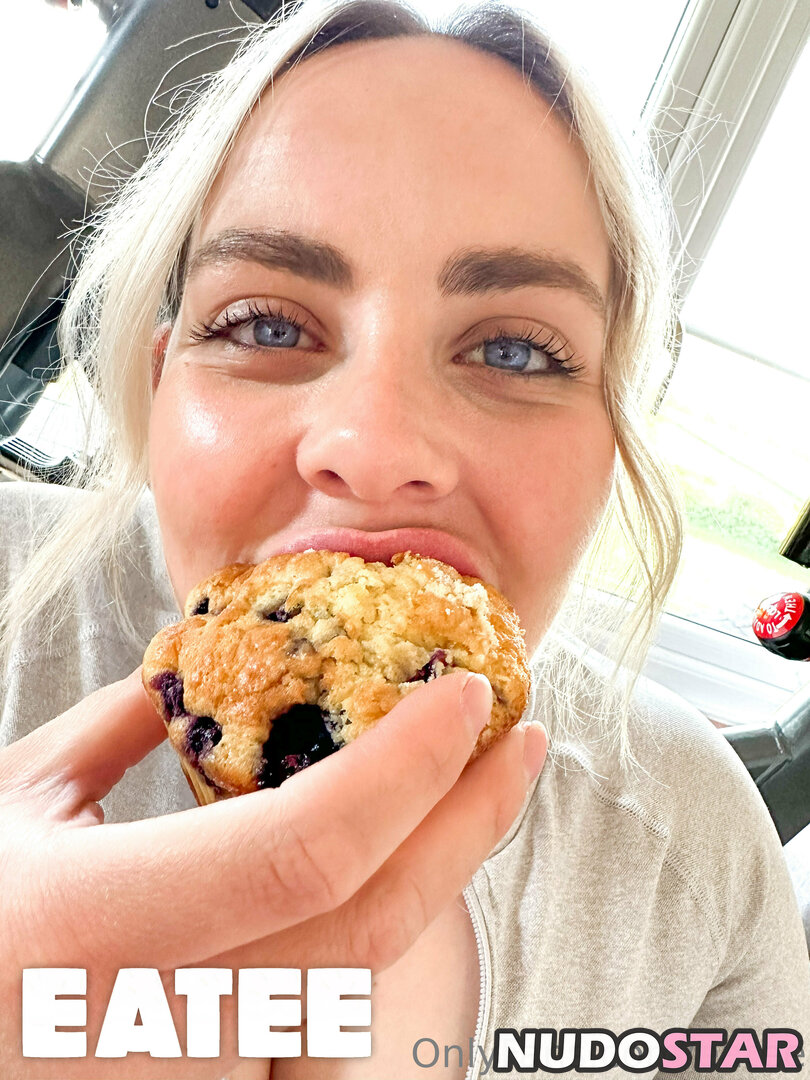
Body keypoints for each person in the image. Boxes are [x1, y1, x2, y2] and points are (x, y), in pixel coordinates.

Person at [0, 0, 807, 1077]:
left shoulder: (698, 858)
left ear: (613, 441)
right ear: (160, 387)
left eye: (515, 351)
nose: (375, 449)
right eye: (266, 325)